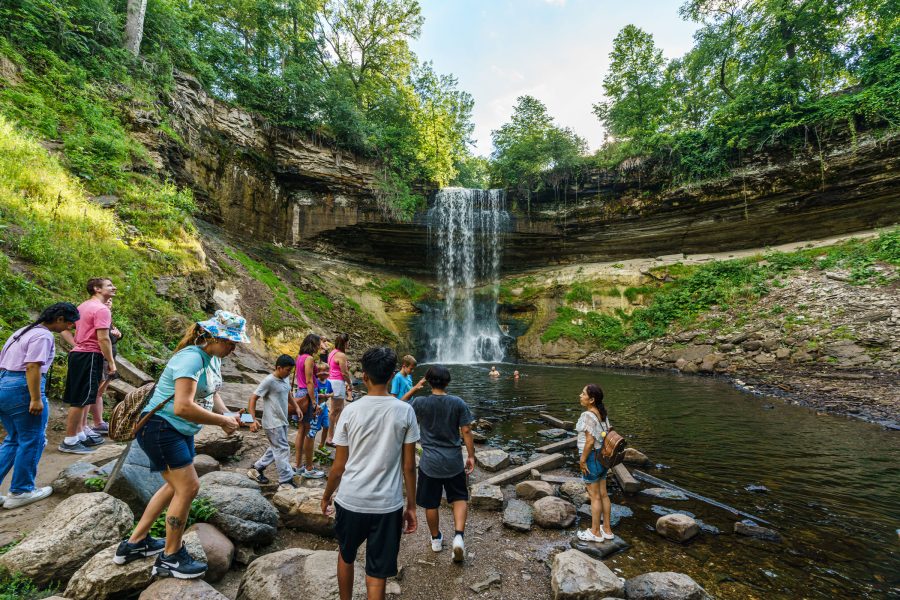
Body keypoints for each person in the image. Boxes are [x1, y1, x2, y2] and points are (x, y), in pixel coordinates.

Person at [113, 311, 246, 578]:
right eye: (230, 342)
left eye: (236, 343)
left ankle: (134, 544)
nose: (234, 347)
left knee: (174, 485)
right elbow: (183, 406)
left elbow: (212, 391)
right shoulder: (191, 358)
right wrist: (221, 421)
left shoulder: (212, 358)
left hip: (178, 429)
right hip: (162, 428)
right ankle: (170, 557)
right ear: (212, 337)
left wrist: (228, 415)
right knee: (188, 487)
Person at [321, 347, 419, 600]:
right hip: (387, 505)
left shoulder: (351, 411)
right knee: (378, 571)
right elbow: (409, 466)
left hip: (351, 499)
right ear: (392, 377)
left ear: (364, 377)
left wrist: (326, 495)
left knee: (346, 554)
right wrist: (411, 506)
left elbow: (338, 466)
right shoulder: (404, 411)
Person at [0, 303, 80, 509]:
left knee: (14, 439)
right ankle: (21, 490)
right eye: (70, 322)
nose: (71, 327)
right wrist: (35, 398)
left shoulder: (23, 331)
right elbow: (33, 366)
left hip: (4, 384)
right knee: (33, 439)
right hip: (22, 387)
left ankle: (18, 488)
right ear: (60, 318)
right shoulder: (43, 336)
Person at [408, 365, 475, 563]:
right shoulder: (457, 402)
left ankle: (436, 539)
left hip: (430, 462)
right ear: (448, 382)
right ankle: (459, 537)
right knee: (460, 497)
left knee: (431, 502)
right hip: (453, 460)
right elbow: (466, 431)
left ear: (428, 382)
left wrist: (414, 389)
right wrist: (471, 455)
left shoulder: (420, 403)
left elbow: (401, 409)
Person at [59, 278, 118, 454]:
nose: (114, 287)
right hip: (91, 355)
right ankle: (69, 441)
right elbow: (103, 338)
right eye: (109, 285)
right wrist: (112, 363)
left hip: (80, 354)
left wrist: (76, 344)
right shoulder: (101, 309)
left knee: (84, 397)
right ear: (97, 289)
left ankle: (79, 434)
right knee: (81, 399)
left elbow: (64, 328)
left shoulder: (83, 306)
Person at [246, 354, 301, 490]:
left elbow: (288, 393)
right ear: (278, 367)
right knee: (282, 449)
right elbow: (253, 398)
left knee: (276, 447)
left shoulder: (285, 378)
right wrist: (252, 420)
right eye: (287, 370)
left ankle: (256, 468)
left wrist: (297, 407)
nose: (289, 373)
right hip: (272, 422)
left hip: (282, 420)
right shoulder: (269, 381)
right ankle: (285, 480)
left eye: (291, 370)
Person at [576, 383, 614, 543]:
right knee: (604, 494)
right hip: (603, 458)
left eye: (583, 393)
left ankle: (595, 533)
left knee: (594, 497)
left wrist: (582, 460)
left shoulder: (587, 415)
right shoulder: (602, 414)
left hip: (591, 457)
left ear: (591, 399)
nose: (580, 395)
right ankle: (607, 530)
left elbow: (590, 441)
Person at [294, 333, 324, 479]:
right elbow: (309, 381)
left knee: (301, 431)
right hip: (308, 395)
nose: (319, 347)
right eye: (318, 344)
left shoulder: (299, 357)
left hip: (299, 394)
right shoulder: (310, 359)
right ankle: (309, 467)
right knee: (310, 432)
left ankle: (298, 465)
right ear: (313, 344)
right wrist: (314, 402)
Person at [325, 333, 353, 446]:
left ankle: (339, 435)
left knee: (340, 409)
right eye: (348, 342)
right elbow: (344, 373)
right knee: (334, 411)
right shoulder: (341, 355)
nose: (349, 344)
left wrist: (347, 367)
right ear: (345, 343)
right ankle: (330, 438)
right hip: (337, 382)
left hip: (331, 380)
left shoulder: (332, 352)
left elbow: (335, 367)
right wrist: (350, 384)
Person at [310, 364, 333, 452]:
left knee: (326, 426)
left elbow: (332, 393)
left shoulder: (329, 383)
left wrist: (328, 395)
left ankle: (321, 445)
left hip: (324, 408)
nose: (324, 374)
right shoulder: (315, 382)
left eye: (326, 372)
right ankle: (310, 447)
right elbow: (312, 393)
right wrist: (319, 395)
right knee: (315, 429)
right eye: (322, 372)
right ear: (318, 373)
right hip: (316, 409)